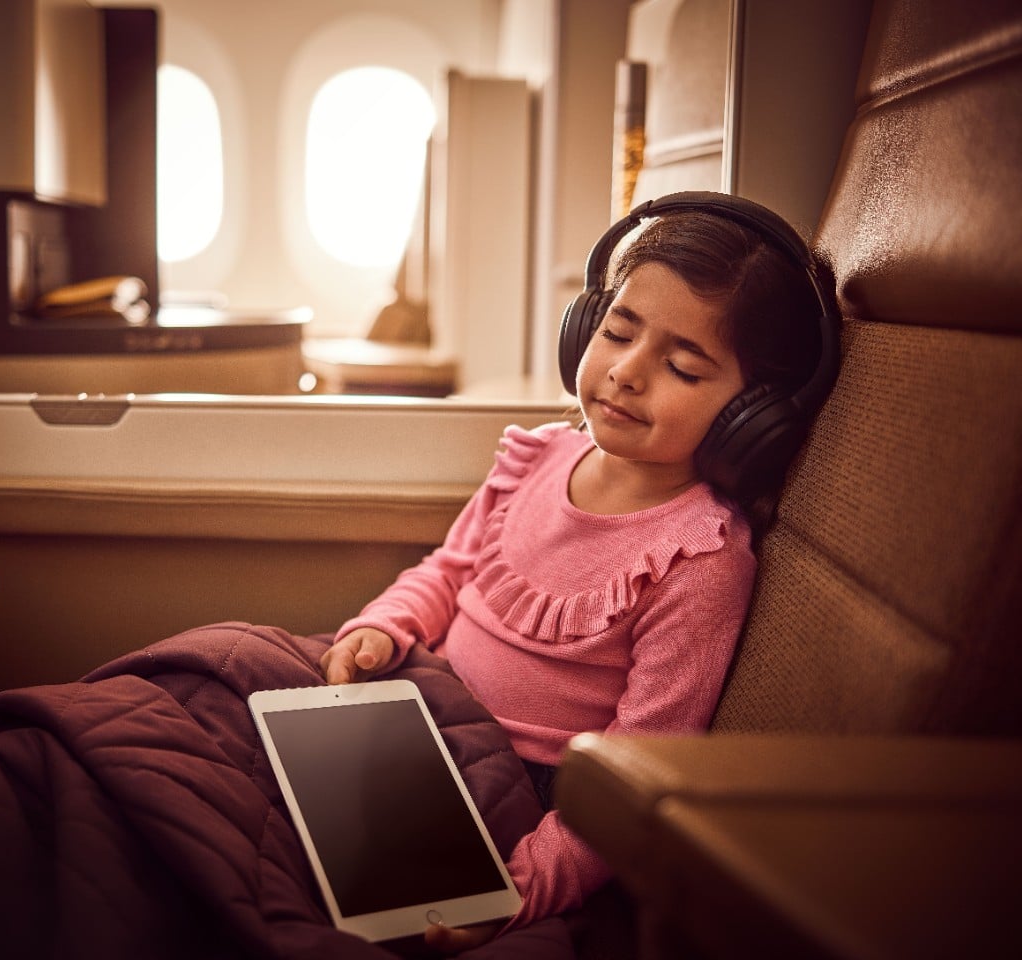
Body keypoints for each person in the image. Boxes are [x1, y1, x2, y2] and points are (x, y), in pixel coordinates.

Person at [319, 195, 833, 952]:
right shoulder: (537, 457)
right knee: (226, 665)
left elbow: (638, 766)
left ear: (751, 416)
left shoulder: (700, 561)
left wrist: (519, 889)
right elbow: (449, 570)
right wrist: (381, 626)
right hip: (412, 716)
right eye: (618, 331)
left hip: (512, 790)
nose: (625, 373)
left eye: (683, 367)